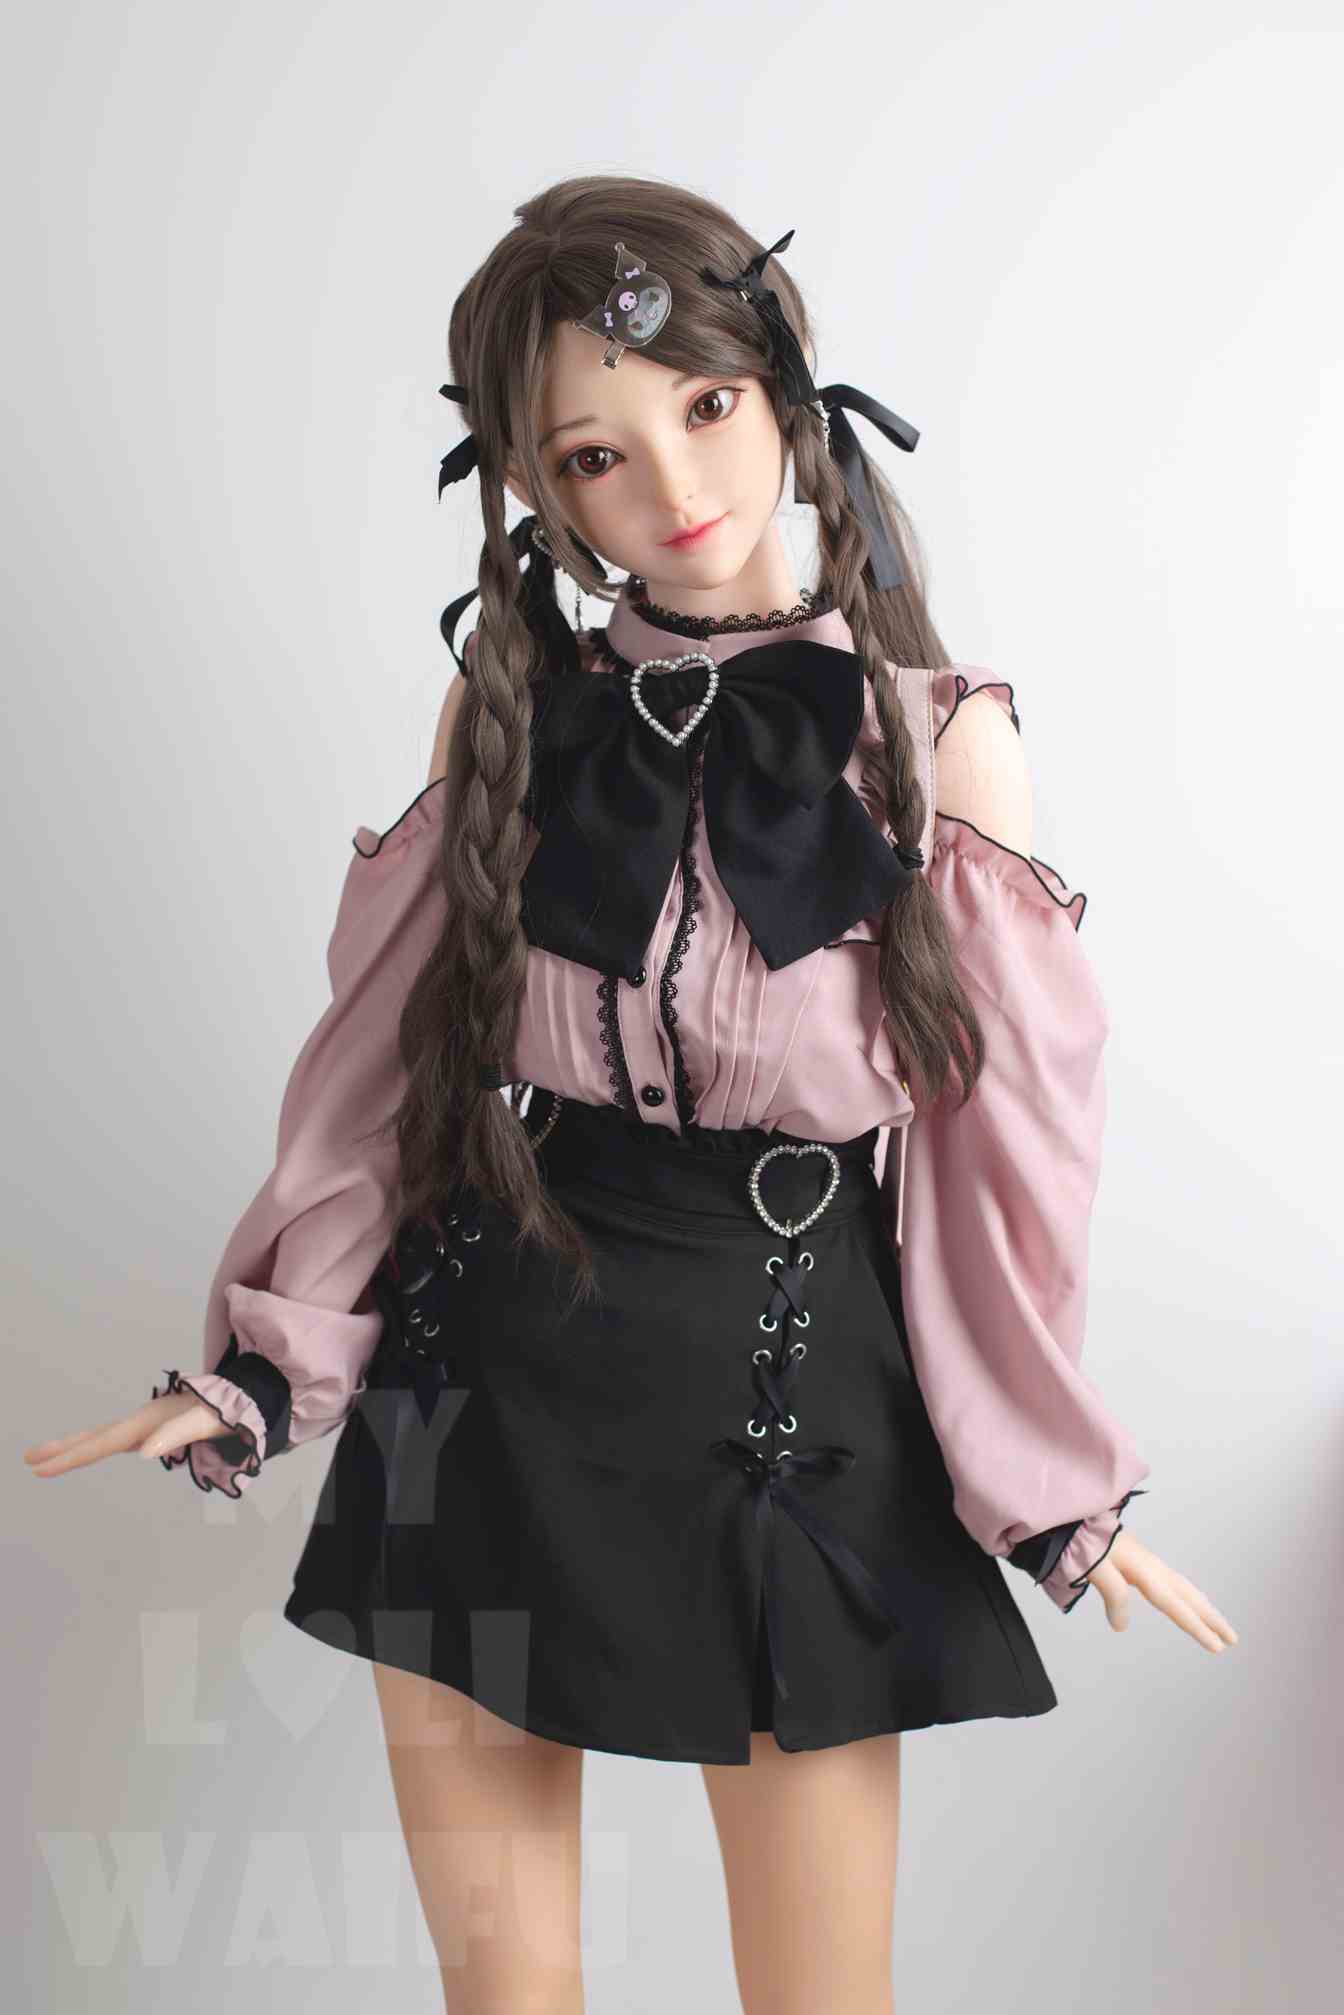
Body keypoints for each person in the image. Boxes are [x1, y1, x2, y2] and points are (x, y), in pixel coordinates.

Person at [25, 176, 1237, 2014]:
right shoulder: (508, 716)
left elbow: (1004, 1161)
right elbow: (379, 1078)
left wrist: (1052, 1484)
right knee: (506, 1999)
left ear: (786, 388)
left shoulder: (939, 741)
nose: (673, 484)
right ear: (535, 487)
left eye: (707, 405)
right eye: (595, 456)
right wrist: (267, 1364)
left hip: (797, 1400)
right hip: (488, 1380)